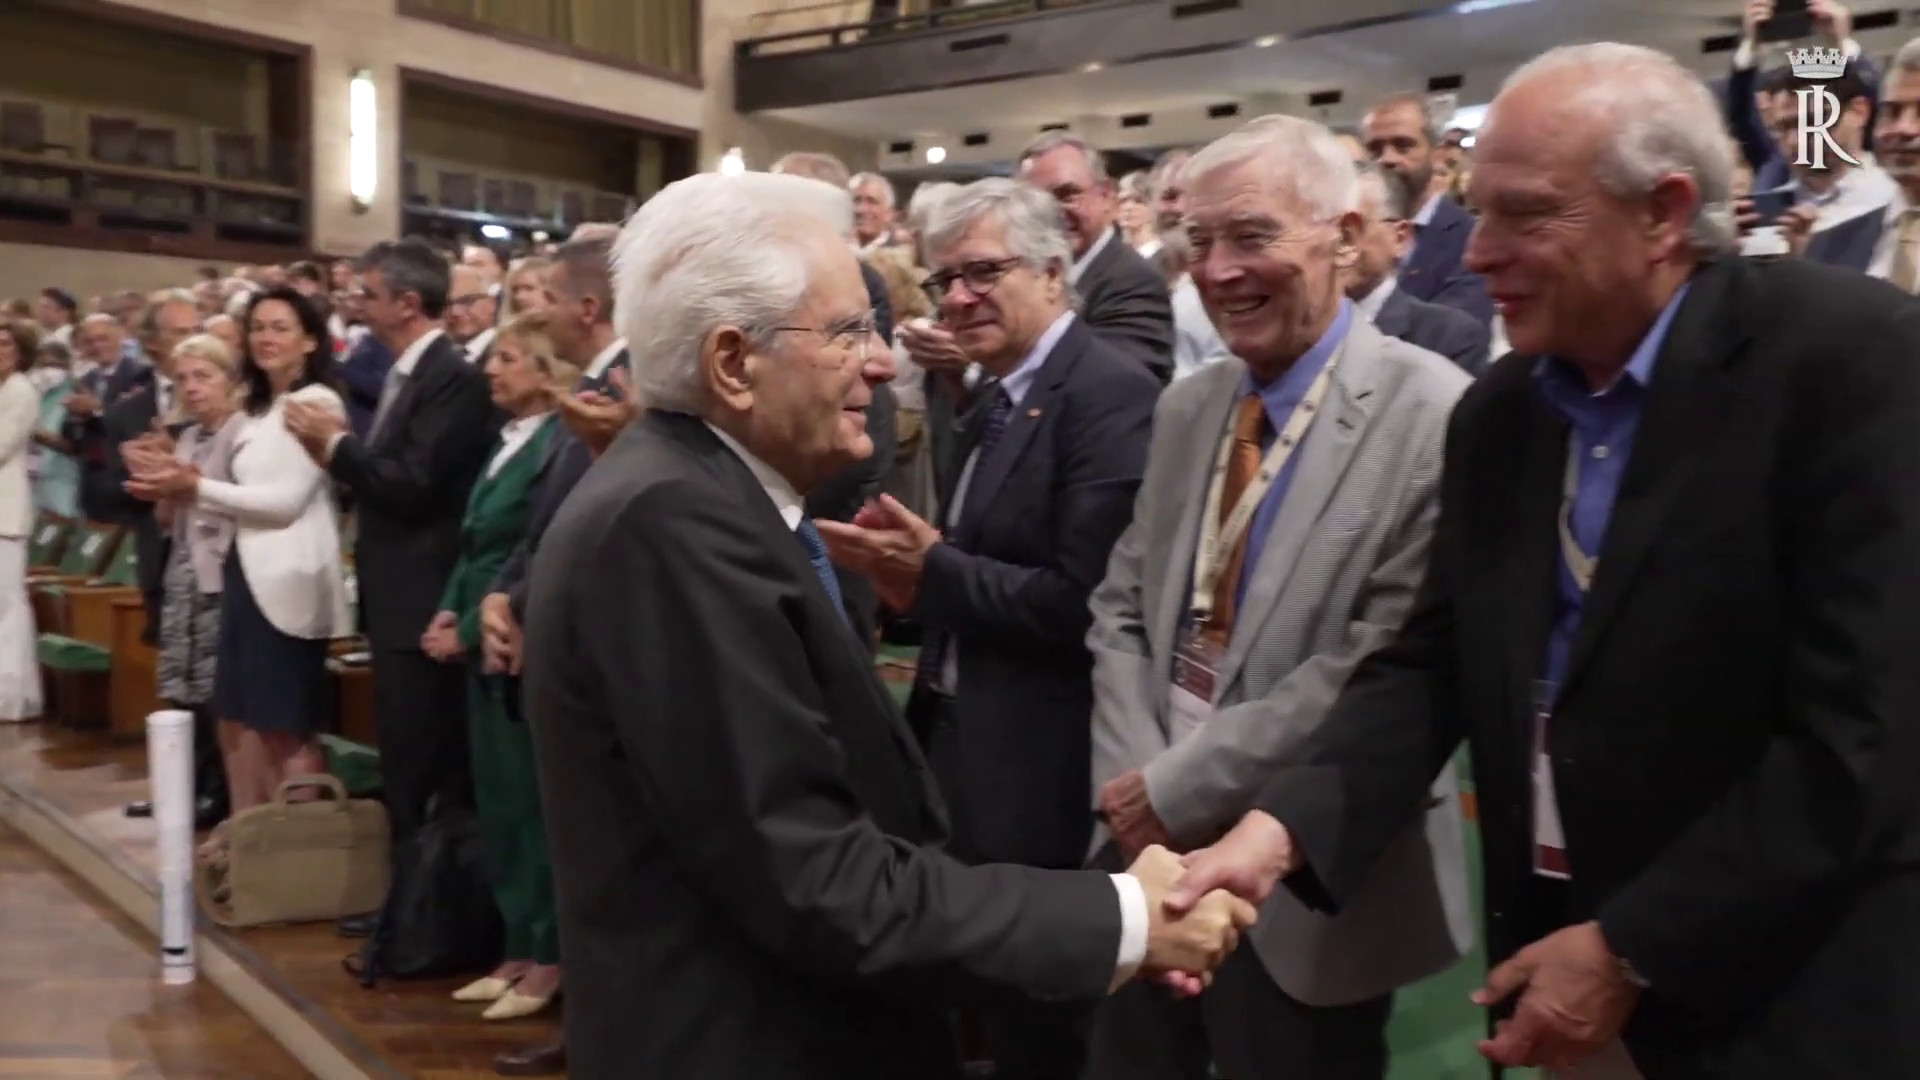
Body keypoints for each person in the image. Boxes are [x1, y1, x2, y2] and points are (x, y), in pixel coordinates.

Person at [1168, 42, 1920, 1079]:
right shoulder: (1503, 412)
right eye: (1478, 212)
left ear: (1663, 212)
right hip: (1562, 958)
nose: (1478, 254)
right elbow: (1432, 662)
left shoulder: (1853, 361)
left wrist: (1633, 946)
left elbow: (1870, 735)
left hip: (1787, 982)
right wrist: (1279, 831)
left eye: (1524, 215)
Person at [520, 170, 1257, 1079]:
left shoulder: (696, 496)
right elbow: (817, 881)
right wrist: (1128, 919)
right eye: (847, 333)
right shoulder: (672, 526)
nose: (881, 362)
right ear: (732, 364)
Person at [129, 288, 352, 815]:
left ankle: (303, 846)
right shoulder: (257, 409)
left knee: (286, 726)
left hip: (288, 579)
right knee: (245, 719)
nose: (265, 338)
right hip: (245, 572)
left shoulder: (316, 403)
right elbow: (232, 491)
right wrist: (174, 474)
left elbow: (284, 503)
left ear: (310, 340)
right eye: (257, 328)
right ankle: (254, 836)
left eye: (280, 328)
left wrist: (194, 487)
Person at [433, 313, 569, 1023]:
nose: (492, 369)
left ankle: (550, 954)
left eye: (509, 358)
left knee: (531, 800)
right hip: (480, 623)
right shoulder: (506, 439)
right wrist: (448, 610)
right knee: (500, 802)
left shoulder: (556, 441)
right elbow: (476, 542)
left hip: (521, 630)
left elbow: (528, 543)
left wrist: (476, 620)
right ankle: (516, 945)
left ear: (546, 372)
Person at [145, 335, 243, 817]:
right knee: (181, 683)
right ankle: (180, 785)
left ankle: (218, 791)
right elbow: (168, 519)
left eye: (203, 376)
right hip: (183, 568)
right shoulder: (187, 437)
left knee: (211, 687)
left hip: (221, 570)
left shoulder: (241, 432)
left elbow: (238, 505)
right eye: (182, 379)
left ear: (230, 378)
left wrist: (190, 485)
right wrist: (158, 484)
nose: (192, 387)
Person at [0, 320, 44, 722]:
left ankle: (13, 697)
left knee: (8, 607)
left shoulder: (20, 391)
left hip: (6, 513)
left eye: (5, 345)